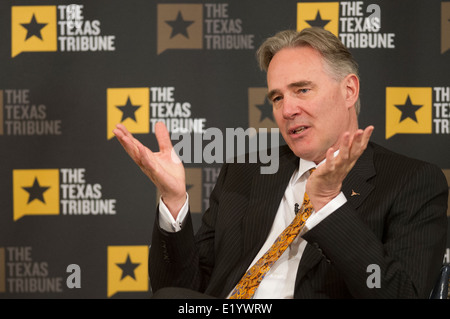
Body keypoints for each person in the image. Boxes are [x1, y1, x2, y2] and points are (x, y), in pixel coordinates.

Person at [113, 28, 448, 298]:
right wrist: (173, 200)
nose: (287, 110)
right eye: (277, 97)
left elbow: (401, 292)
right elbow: (181, 291)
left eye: (302, 90)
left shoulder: (410, 180)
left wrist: (329, 204)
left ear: (349, 91)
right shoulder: (244, 173)